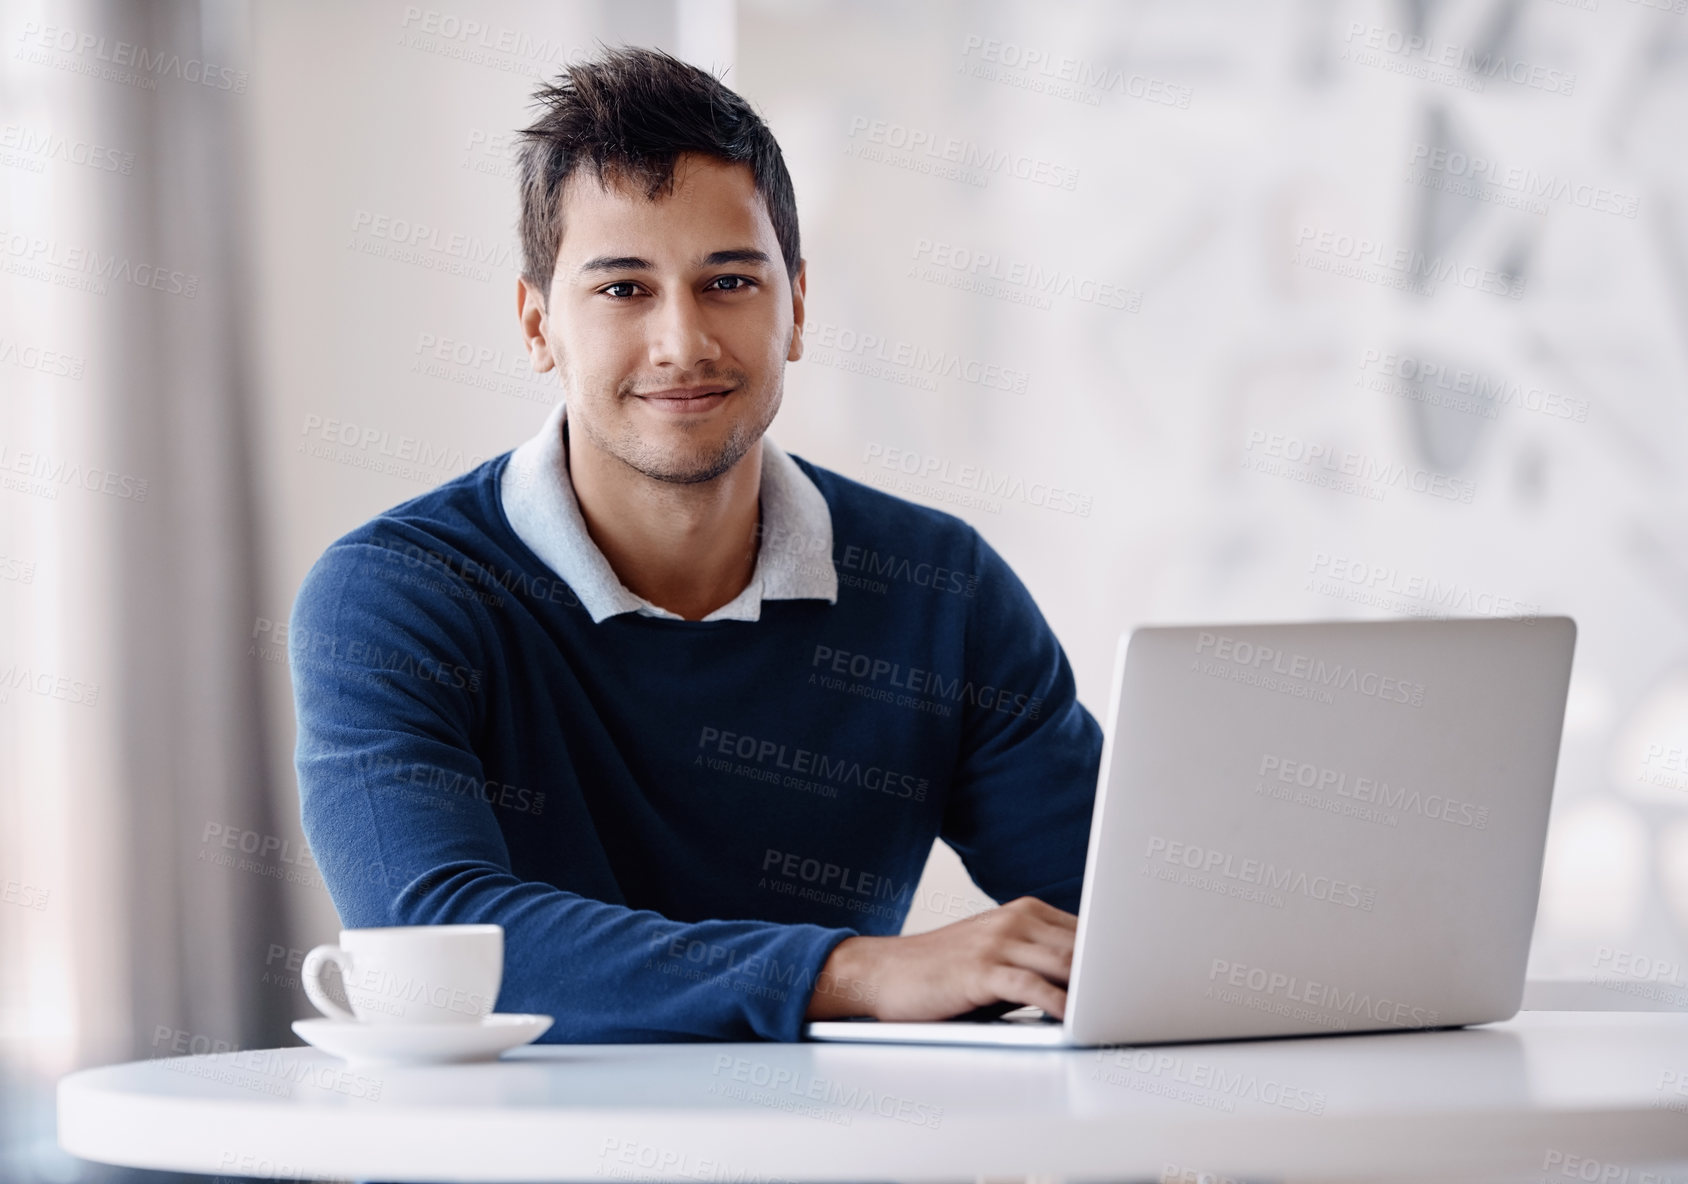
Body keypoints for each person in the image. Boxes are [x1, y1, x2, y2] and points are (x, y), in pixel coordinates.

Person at [290, 45, 1100, 1043]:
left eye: (727, 281)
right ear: (537, 322)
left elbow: (1126, 915)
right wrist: (848, 971)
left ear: (795, 306)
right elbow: (433, 935)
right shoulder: (396, 592)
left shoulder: (938, 587)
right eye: (623, 290)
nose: (681, 342)